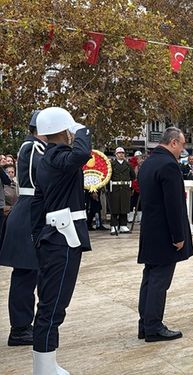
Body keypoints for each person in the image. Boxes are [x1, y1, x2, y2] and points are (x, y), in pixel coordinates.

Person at [29, 107, 91, 373]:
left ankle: (47, 364)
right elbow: (82, 153)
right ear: (64, 130)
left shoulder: (46, 158)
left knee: (50, 303)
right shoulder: (58, 156)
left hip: (52, 236)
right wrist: (81, 129)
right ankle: (43, 368)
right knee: (53, 306)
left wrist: (38, 235)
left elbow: (37, 204)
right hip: (62, 238)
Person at [137, 127, 193, 343]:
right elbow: (173, 205)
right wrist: (178, 236)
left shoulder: (148, 163)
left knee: (149, 279)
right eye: (182, 144)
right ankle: (153, 327)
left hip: (150, 230)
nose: (183, 149)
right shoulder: (169, 165)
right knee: (160, 281)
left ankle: (145, 324)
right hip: (164, 234)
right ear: (172, 143)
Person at [0, 110, 45, 348]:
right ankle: (19, 329)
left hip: (30, 212)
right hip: (28, 214)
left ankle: (22, 325)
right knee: (25, 276)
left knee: (29, 274)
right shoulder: (33, 148)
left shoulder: (33, 146)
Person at [109, 147, 136, 235]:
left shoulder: (128, 165)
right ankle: (114, 225)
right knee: (115, 207)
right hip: (115, 188)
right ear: (116, 154)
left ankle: (123, 225)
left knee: (124, 207)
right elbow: (108, 176)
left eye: (122, 153)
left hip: (125, 188)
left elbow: (133, 176)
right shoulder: (112, 165)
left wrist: (130, 187)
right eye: (119, 153)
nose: (121, 155)